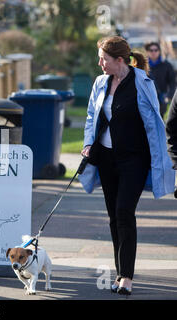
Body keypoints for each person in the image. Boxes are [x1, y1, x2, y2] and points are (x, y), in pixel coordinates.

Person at [79, 36, 174, 295]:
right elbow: (91, 116)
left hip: (135, 159)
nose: (100, 64)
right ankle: (120, 272)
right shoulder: (101, 82)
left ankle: (127, 278)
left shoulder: (144, 83)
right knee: (113, 217)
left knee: (124, 212)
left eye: (104, 59)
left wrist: (162, 158)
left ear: (119, 60)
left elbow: (154, 122)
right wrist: (89, 143)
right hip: (107, 158)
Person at [144, 42, 176, 118]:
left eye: (156, 50)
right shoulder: (143, 66)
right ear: (147, 52)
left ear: (159, 51)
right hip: (147, 100)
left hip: (162, 99)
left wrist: (169, 96)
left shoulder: (166, 65)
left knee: (161, 120)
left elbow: (172, 82)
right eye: (151, 50)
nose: (153, 52)